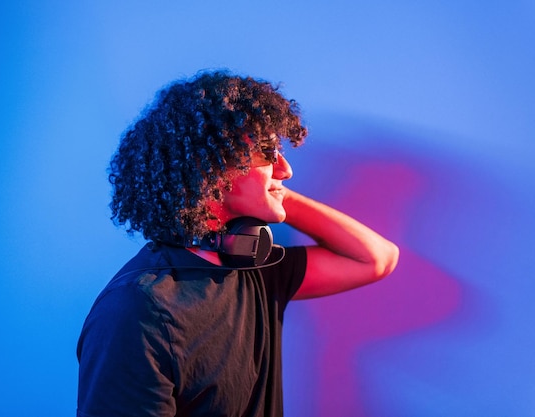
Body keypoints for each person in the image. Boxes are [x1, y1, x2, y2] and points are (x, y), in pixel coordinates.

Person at [76, 70, 399, 417]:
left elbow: (377, 258)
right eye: (268, 151)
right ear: (210, 164)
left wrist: (274, 193)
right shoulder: (136, 310)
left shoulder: (258, 269)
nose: (285, 169)